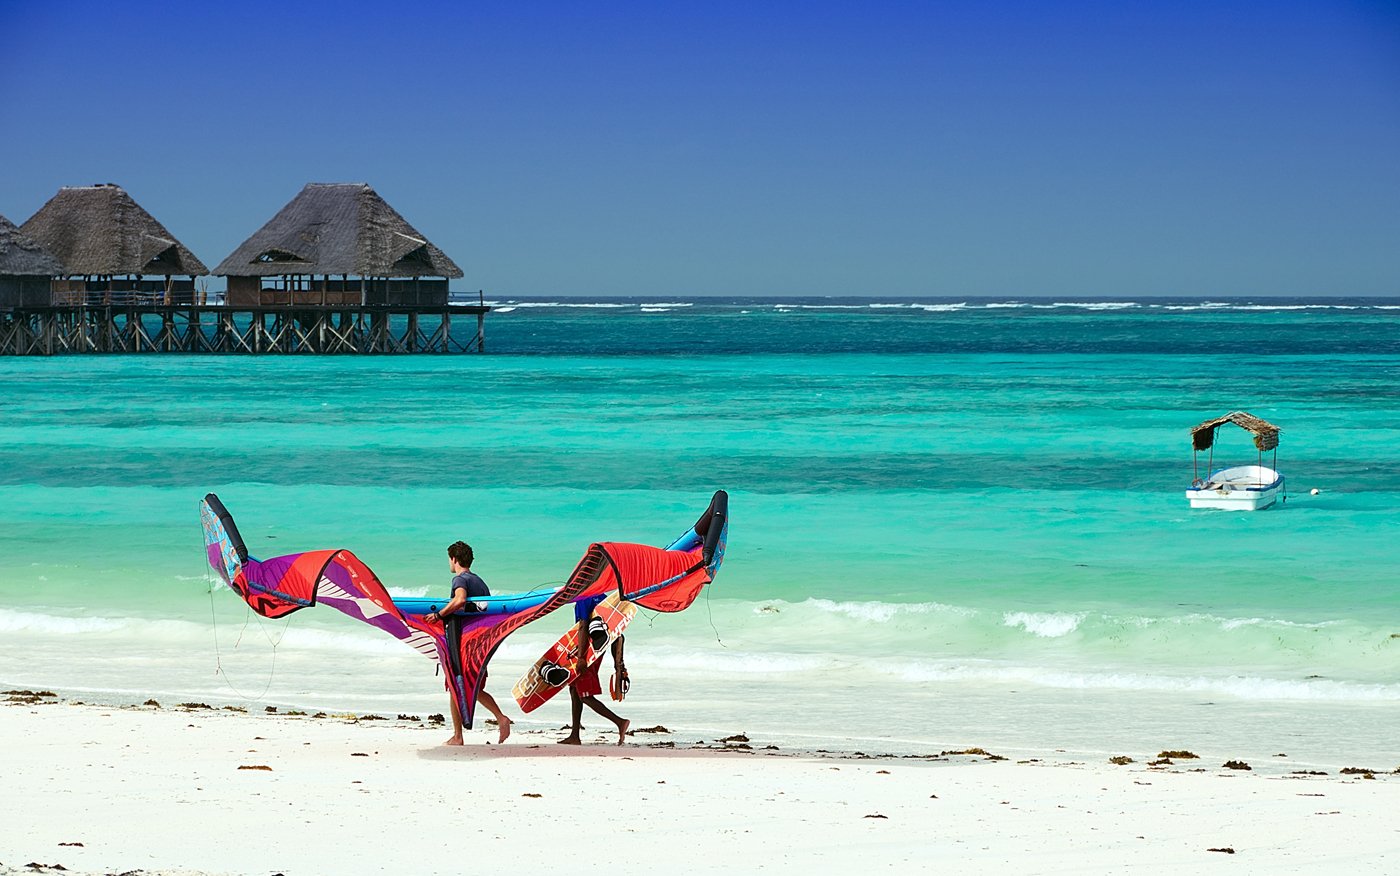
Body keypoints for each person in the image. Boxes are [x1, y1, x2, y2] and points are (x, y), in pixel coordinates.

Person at [425, 540, 512, 746]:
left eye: (449, 559)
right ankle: (501, 718)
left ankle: (458, 736)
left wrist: (438, 615)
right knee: (474, 687)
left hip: (463, 644)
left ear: (454, 559)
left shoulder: (459, 579)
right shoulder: (480, 582)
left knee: (456, 685)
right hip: (479, 643)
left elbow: (460, 600)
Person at [558, 594, 630, 746]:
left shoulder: (584, 598)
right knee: (574, 689)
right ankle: (575, 735)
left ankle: (620, 722)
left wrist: (581, 657)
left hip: (586, 652)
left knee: (585, 695)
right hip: (598, 649)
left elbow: (583, 625)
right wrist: (618, 662)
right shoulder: (603, 597)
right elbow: (615, 631)